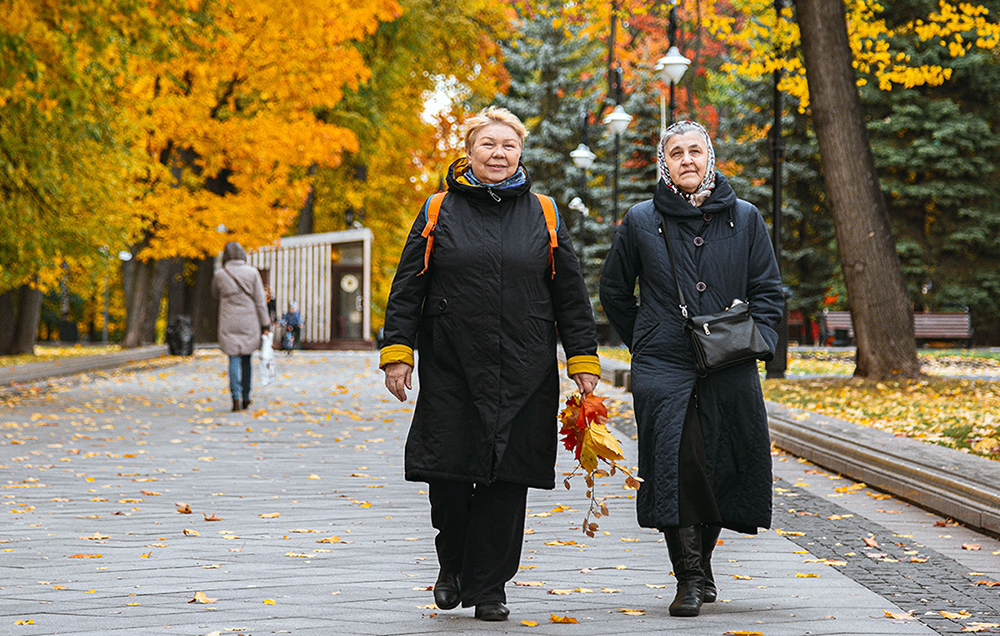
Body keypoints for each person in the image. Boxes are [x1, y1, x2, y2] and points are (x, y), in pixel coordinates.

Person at [379, 106, 600, 622]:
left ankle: (490, 587)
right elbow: (408, 287)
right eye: (488, 144)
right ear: (469, 151)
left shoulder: (544, 213)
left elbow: (571, 296)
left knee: (508, 479)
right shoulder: (439, 209)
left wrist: (582, 358)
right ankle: (453, 565)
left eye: (508, 145)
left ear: (520, 152)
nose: (498, 153)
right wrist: (398, 354)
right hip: (452, 365)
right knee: (448, 474)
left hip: (526, 368)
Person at [599, 121, 784, 617]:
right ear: (664, 163)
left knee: (720, 463)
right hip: (664, 364)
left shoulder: (745, 218)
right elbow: (614, 290)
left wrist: (758, 337)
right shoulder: (641, 220)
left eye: (695, 151)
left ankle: (701, 562)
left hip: (729, 361)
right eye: (676, 152)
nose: (687, 160)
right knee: (675, 462)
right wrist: (647, 335)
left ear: (709, 157)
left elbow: (768, 290)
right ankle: (689, 578)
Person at [211, 242, 270, 412]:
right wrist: (265, 324)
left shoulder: (220, 274)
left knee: (233, 358)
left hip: (228, 320)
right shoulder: (252, 273)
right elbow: (260, 301)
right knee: (246, 358)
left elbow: (214, 293)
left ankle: (235, 397)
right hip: (249, 321)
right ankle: (246, 395)